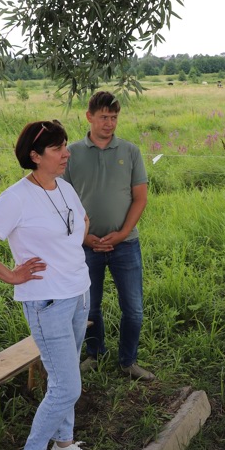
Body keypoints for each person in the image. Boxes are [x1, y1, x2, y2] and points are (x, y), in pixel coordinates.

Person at [0, 120, 100, 450]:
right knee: (66, 386)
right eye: (57, 149)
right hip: (47, 301)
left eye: (65, 146)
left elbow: (82, 220)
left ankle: (64, 445)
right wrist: (10, 275)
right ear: (35, 156)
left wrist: (67, 253)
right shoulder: (17, 197)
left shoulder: (64, 187)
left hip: (77, 294)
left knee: (68, 375)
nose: (66, 153)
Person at [63, 91, 155, 381]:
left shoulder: (130, 152)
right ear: (89, 116)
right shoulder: (72, 154)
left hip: (125, 245)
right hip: (85, 246)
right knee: (90, 306)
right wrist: (83, 237)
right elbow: (63, 201)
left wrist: (122, 233)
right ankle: (95, 352)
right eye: (104, 117)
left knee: (134, 309)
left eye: (114, 117)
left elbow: (140, 198)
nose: (109, 123)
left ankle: (128, 361)